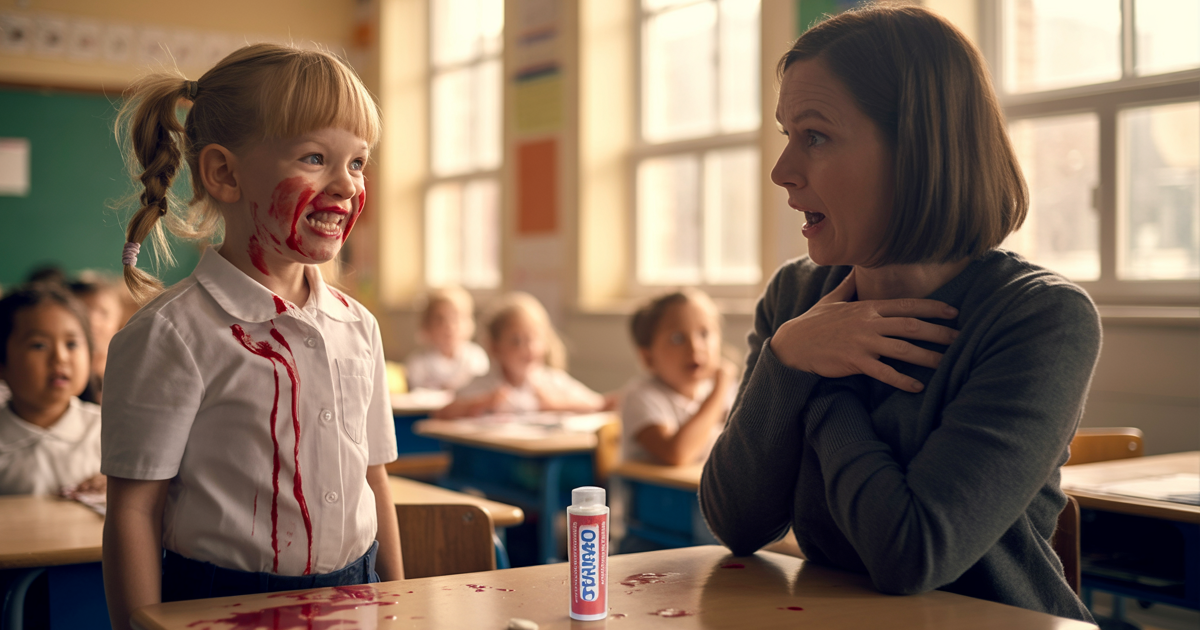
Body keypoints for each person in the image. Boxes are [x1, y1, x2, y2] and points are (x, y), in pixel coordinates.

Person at [699, 6, 1099, 623]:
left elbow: (912, 555)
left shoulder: (1042, 319)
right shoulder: (794, 301)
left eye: (816, 136)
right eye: (787, 136)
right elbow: (737, 522)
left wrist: (821, 382)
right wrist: (787, 358)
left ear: (917, 148)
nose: (782, 172)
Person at [100, 44, 401, 630]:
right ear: (225, 173)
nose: (345, 184)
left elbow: (374, 477)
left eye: (358, 163)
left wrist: (400, 601)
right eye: (315, 157)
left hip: (357, 597)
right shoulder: (174, 333)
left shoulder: (358, 327)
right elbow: (134, 511)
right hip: (221, 604)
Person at [0, 284, 105, 496]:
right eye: (39, 345)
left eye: (72, 344)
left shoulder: (108, 431)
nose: (61, 357)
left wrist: (115, 487)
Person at [435, 292, 606, 418]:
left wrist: (555, 404)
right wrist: (483, 403)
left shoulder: (552, 381)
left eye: (534, 339)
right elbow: (443, 414)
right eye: (516, 341)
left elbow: (598, 405)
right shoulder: (485, 384)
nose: (528, 348)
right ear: (495, 347)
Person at [621, 289, 734, 466]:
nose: (695, 347)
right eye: (677, 338)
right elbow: (677, 453)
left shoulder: (728, 392)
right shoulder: (640, 396)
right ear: (648, 357)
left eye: (704, 334)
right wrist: (719, 390)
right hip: (658, 493)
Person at [404, 286, 489, 391]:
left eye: (456, 318)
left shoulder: (476, 357)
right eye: (440, 320)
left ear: (469, 323)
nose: (449, 326)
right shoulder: (417, 363)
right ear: (426, 325)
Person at [68, 271, 132, 404]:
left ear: (119, 317)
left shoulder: (130, 369)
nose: (93, 322)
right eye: (84, 311)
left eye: (103, 313)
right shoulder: (63, 368)